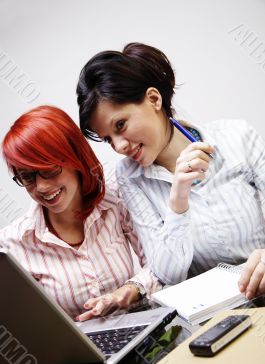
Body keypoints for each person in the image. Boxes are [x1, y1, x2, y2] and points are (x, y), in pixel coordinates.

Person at [76, 42, 265, 301]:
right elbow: (168, 274)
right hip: (217, 318)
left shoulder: (236, 136)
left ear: (154, 99)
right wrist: (177, 202)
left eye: (120, 125)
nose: (119, 146)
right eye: (108, 139)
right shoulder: (130, 178)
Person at [0, 105, 161, 321]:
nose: (41, 187)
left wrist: (131, 290)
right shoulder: (14, 243)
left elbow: (160, 265)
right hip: (76, 353)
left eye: (48, 170)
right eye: (27, 177)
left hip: (141, 332)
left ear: (75, 157)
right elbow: (26, 324)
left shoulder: (115, 200)